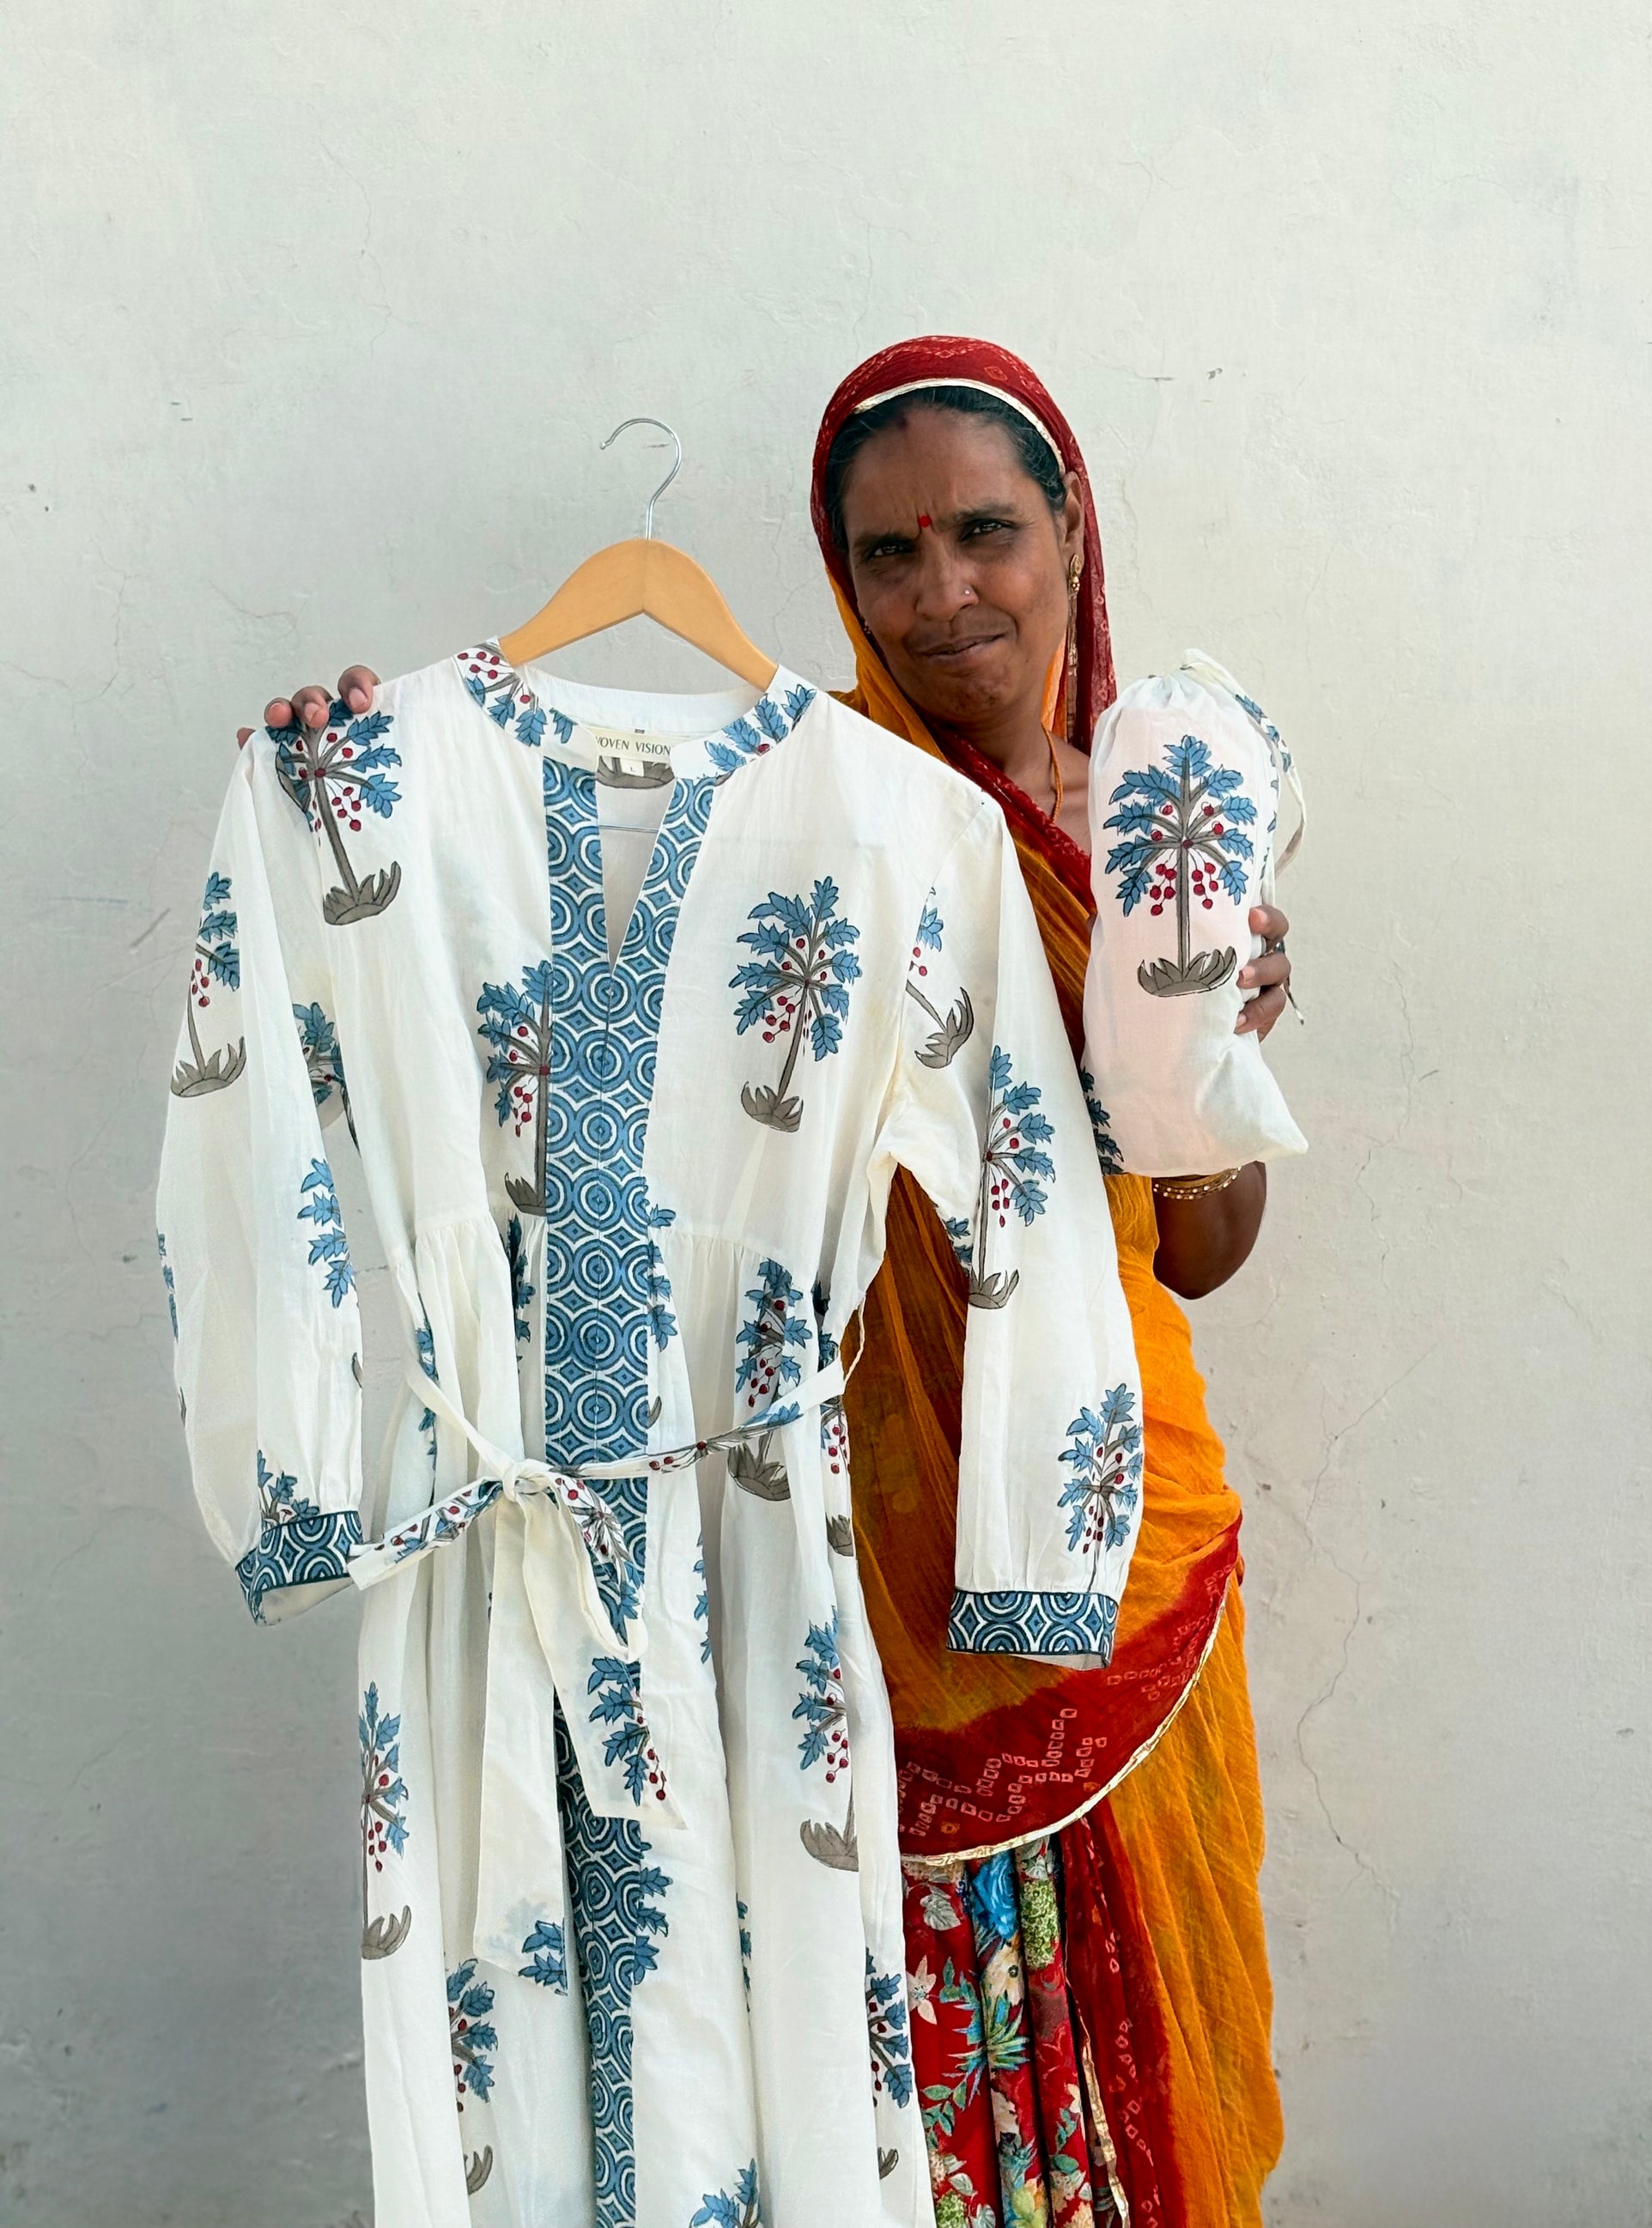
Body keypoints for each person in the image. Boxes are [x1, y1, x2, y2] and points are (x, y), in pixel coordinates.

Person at [250, 334, 1291, 2225]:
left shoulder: (1165, 832)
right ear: (836, 573)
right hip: (819, 1553)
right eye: (888, 554)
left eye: (984, 531)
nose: (942, 589)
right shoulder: (803, 801)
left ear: (1071, 534)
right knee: (840, 2040)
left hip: (1112, 1520)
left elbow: (1200, 1253)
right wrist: (362, 809)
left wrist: (1200, 1045)